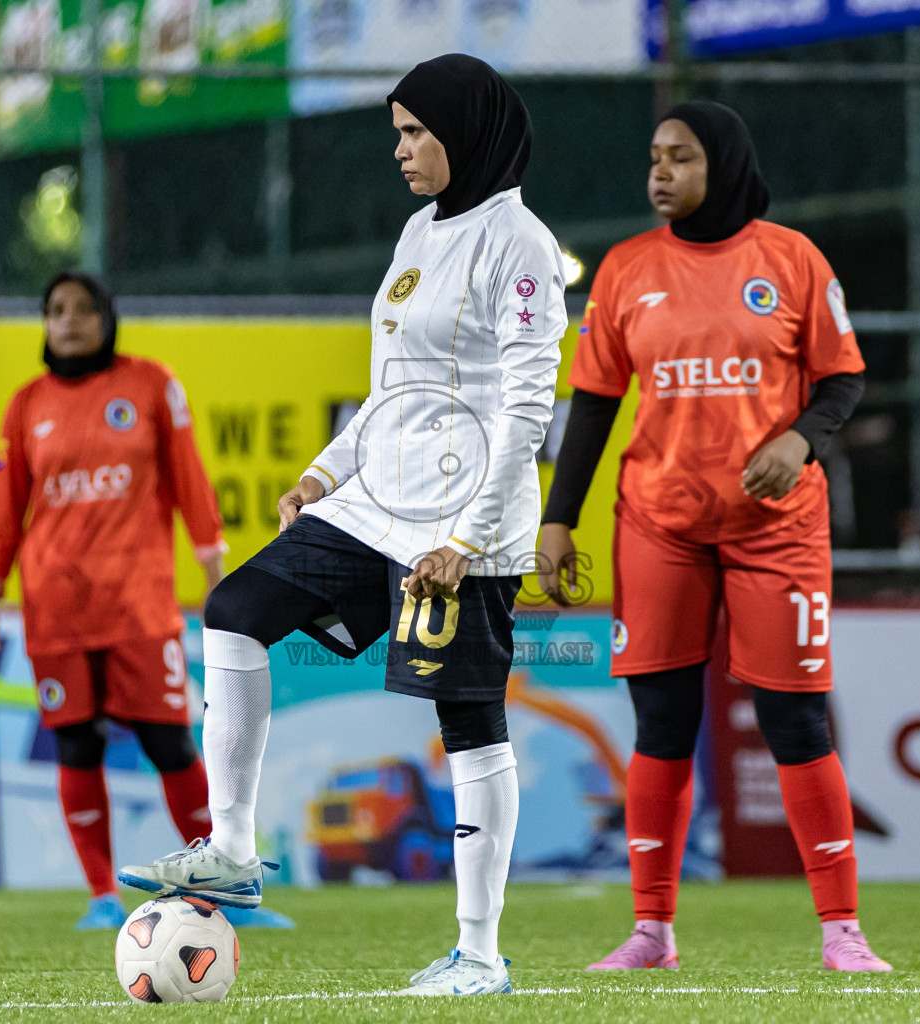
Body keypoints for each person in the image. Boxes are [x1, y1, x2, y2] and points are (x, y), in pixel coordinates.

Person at [119, 53, 565, 997]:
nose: (399, 151)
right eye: (395, 133)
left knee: (470, 722)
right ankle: (233, 847)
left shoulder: (518, 244)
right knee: (236, 609)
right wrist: (326, 471)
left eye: (415, 132)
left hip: (463, 517)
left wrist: (470, 539)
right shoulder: (417, 230)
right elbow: (390, 388)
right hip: (375, 506)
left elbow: (528, 410)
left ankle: (479, 955)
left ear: (467, 132)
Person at [538, 102, 891, 973]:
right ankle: (651, 932)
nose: (659, 172)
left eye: (680, 157)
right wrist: (556, 518)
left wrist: (800, 438)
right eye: (653, 157)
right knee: (662, 718)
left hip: (777, 527)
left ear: (722, 163)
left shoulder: (793, 260)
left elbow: (842, 380)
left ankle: (842, 932)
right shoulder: (625, 269)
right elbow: (592, 404)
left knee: (796, 719)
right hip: (660, 523)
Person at [0, 271, 227, 931]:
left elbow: (189, 478)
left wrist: (213, 564)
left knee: (169, 742)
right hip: (57, 608)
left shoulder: (151, 385)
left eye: (84, 308)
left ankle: (221, 892)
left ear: (108, 317)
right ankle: (101, 898)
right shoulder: (26, 405)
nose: (70, 320)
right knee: (77, 745)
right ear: (44, 324)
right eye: (56, 310)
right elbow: (4, 510)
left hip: (140, 604)